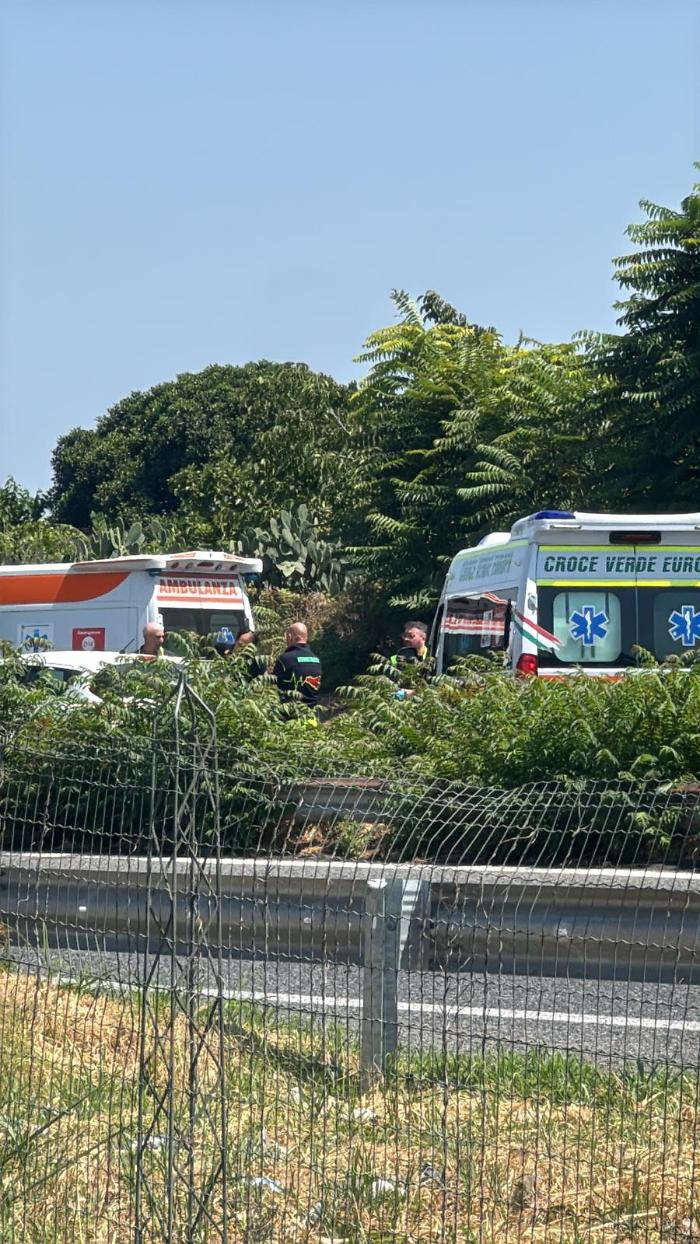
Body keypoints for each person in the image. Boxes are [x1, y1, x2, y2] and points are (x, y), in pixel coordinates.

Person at [273, 622, 322, 707]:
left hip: (290, 714)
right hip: (312, 714)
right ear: (306, 637)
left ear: (289, 637)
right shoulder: (316, 660)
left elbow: (273, 686)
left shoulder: (284, 659)